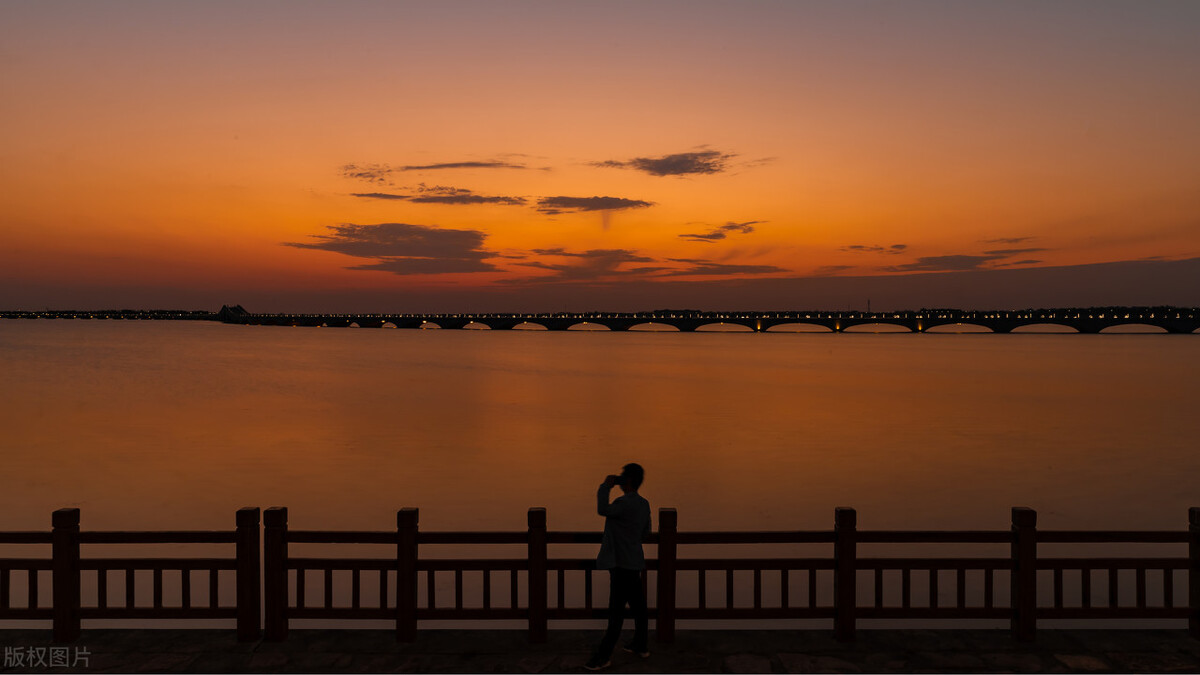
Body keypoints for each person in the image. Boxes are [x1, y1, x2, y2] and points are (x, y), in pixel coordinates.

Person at [585, 463, 651, 671]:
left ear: (628, 480)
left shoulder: (623, 503)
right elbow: (646, 532)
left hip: (620, 564)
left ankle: (603, 656)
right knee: (639, 608)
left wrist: (606, 486)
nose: (621, 479)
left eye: (623, 476)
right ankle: (640, 646)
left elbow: (603, 509)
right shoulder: (644, 504)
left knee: (616, 613)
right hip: (635, 561)